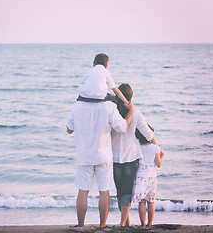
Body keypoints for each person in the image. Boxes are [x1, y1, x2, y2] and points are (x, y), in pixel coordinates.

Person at [66, 93, 135, 227]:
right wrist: (131, 111)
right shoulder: (109, 106)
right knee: (104, 191)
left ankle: (80, 226)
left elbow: (69, 129)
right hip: (103, 155)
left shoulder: (77, 106)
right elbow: (122, 127)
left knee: (82, 190)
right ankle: (102, 226)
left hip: (84, 155)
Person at [111, 83, 157, 227]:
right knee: (126, 192)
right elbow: (148, 134)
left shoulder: (113, 112)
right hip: (131, 158)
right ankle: (124, 222)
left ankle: (125, 222)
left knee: (120, 191)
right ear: (130, 97)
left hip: (114, 158)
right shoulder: (135, 112)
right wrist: (157, 148)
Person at [133, 125, 165, 226]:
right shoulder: (155, 148)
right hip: (152, 177)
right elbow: (159, 164)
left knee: (141, 202)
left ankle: (142, 224)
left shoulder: (137, 147)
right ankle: (150, 223)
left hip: (140, 177)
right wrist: (162, 156)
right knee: (151, 201)